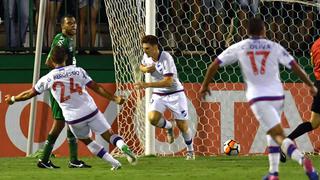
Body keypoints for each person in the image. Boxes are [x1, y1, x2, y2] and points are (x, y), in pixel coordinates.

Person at [200, 17, 319, 180]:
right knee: (272, 131)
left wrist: (205, 85)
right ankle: (273, 173)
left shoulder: (241, 46)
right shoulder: (273, 46)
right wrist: (310, 84)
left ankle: (303, 161)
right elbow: (294, 66)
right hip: (277, 95)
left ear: (247, 31)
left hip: (258, 96)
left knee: (277, 134)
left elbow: (214, 65)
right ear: (264, 30)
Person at [4, 45, 137, 170]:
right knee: (110, 135)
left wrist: (13, 99)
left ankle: (115, 163)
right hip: (90, 111)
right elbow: (95, 87)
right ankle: (123, 146)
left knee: (87, 140)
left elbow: (30, 93)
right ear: (66, 58)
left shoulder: (48, 78)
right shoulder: (78, 71)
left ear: (51, 59)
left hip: (73, 118)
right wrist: (114, 98)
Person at [35, 14, 88, 169]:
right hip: (61, 88)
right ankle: (44, 159)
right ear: (62, 26)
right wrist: (63, 76)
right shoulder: (60, 40)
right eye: (69, 24)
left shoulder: (68, 40)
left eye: (74, 23)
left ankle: (73, 160)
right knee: (59, 124)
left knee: (73, 121)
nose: (74, 26)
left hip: (68, 86)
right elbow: (49, 61)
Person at [134, 35, 195, 160]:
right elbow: (141, 65)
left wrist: (146, 85)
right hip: (159, 94)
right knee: (152, 118)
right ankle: (168, 127)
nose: (144, 51)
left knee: (183, 126)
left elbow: (168, 82)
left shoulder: (166, 58)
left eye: (147, 48)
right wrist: (145, 69)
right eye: (144, 48)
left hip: (175, 93)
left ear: (155, 47)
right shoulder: (147, 56)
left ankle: (190, 151)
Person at [280, 35, 320, 163]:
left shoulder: (315, 44)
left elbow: (313, 63)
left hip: (318, 83)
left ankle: (286, 141)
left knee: (314, 123)